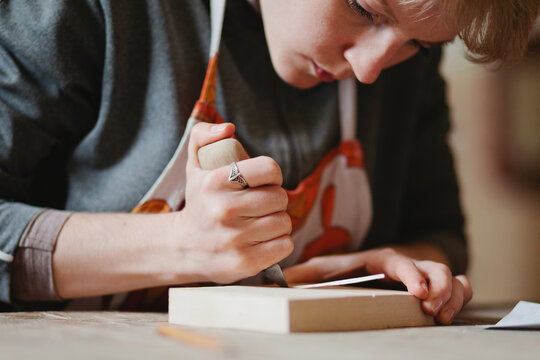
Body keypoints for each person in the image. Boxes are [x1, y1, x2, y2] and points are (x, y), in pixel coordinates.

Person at [0, 0, 537, 323]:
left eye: (418, 44)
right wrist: (179, 245)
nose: (373, 68)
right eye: (363, 8)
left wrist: (384, 275)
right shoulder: (89, 11)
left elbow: (440, 233)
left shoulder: (401, 61)